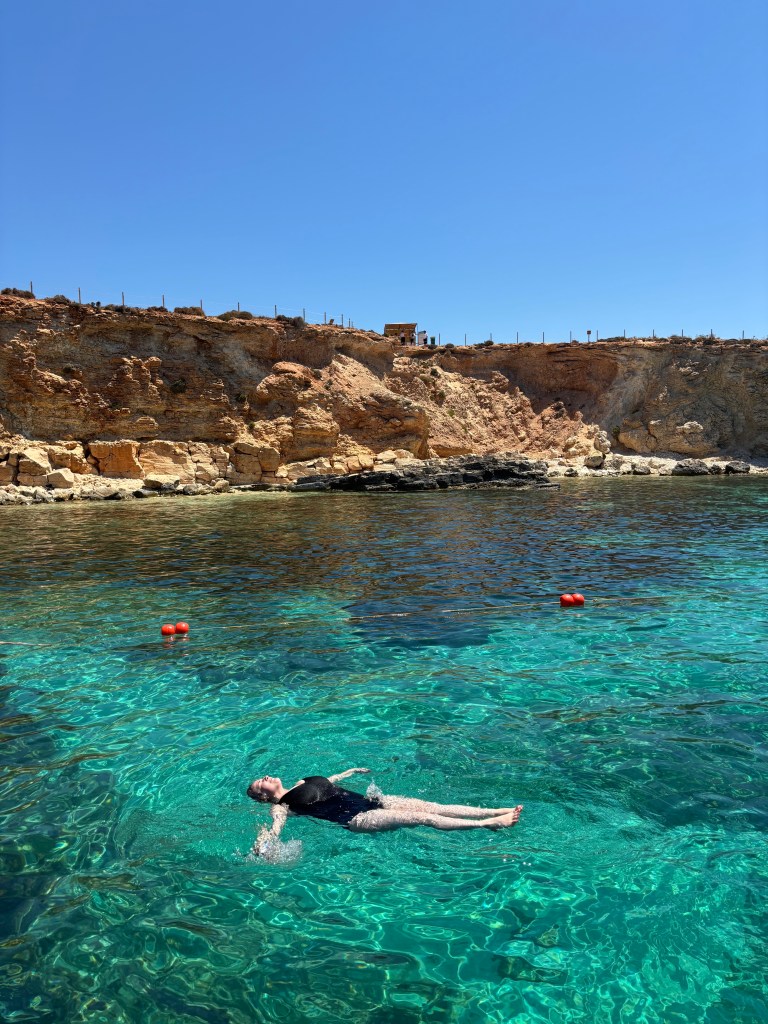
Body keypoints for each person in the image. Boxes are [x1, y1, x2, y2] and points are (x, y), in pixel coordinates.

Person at [246, 769, 523, 854]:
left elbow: (331, 781)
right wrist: (265, 842)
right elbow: (275, 830)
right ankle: (489, 823)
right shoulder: (281, 808)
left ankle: (493, 810)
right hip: (356, 818)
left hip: (372, 802)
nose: (266, 777)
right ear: (262, 797)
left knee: (435, 807)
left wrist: (351, 771)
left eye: (263, 776)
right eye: (260, 782)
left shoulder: (302, 780)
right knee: (422, 818)